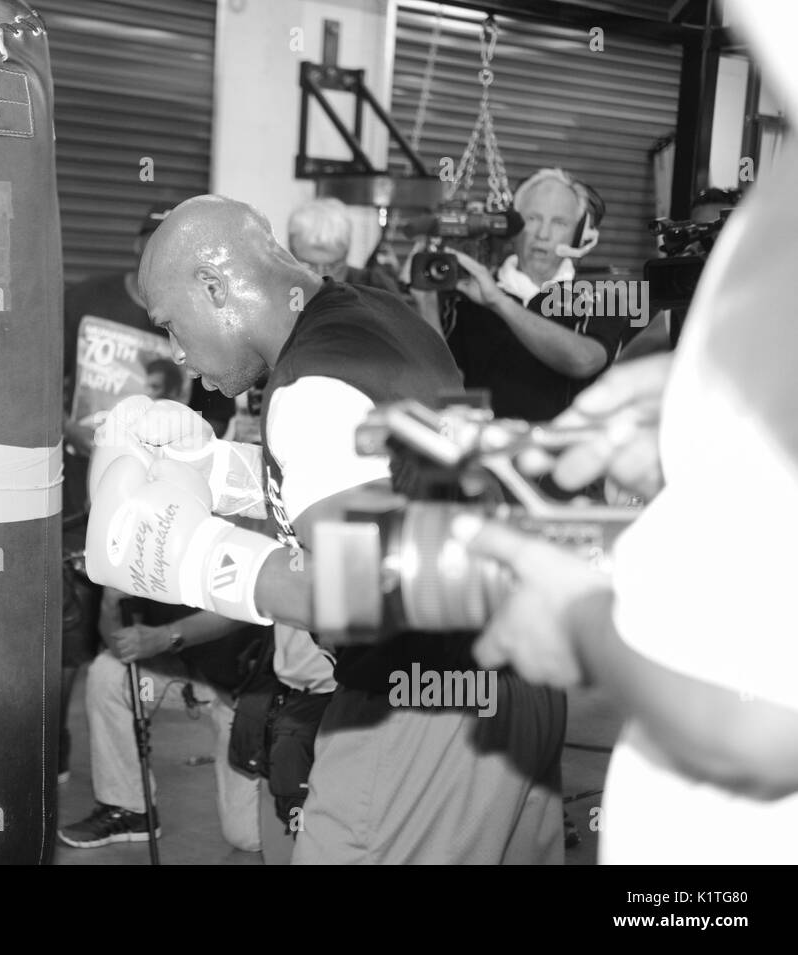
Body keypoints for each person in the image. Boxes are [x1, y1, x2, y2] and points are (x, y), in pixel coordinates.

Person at [84, 194, 566, 864]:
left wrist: (193, 557)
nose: (178, 354)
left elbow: (368, 584)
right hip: (520, 687)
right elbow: (402, 474)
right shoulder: (378, 316)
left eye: (171, 324)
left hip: (421, 708)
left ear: (215, 287)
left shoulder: (307, 388)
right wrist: (217, 469)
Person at [459, 0, 798, 863]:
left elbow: (763, 727)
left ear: (584, 233)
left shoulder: (601, 288)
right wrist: (678, 416)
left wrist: (582, 624)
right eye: (526, 217)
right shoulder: (776, 215)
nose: (536, 234)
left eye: (553, 221)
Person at [58, 204, 236, 783]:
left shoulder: (197, 317)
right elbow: (42, 375)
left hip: (151, 496)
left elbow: (214, 406)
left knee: (125, 620)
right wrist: (65, 426)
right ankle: (51, 754)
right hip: (72, 485)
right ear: (139, 245)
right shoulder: (85, 298)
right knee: (64, 634)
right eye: (152, 242)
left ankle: (203, 711)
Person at [58, 586, 267, 852]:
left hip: (247, 690)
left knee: (246, 836)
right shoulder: (139, 550)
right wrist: (109, 604)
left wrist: (167, 636)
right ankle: (129, 809)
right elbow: (123, 650)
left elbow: (245, 603)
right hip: (191, 681)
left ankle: (302, 782)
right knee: (111, 674)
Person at [441, 168, 635, 421]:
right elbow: (443, 383)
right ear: (514, 226)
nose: (543, 234)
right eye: (532, 218)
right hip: (483, 449)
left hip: (559, 452)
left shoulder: (604, 298)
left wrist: (498, 303)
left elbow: (584, 361)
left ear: (578, 236)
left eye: (559, 223)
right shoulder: (468, 294)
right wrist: (425, 300)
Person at [287, 196, 408, 299]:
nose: (321, 278)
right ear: (290, 254)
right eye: (309, 266)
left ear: (346, 253)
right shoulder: (276, 294)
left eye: (333, 266)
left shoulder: (376, 290)